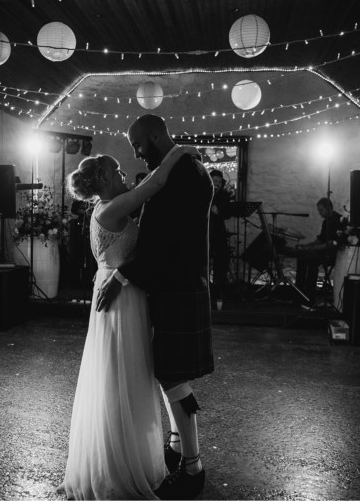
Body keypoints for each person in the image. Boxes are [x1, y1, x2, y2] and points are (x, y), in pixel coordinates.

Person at [97, 114, 214, 500]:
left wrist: (123, 275)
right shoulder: (181, 166)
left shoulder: (182, 171)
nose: (136, 153)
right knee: (168, 371)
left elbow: (163, 237)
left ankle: (192, 469)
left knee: (173, 376)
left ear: (157, 135)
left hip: (178, 285)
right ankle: (178, 447)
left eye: (138, 144)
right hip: (174, 285)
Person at [58, 150, 186, 500]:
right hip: (119, 297)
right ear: (102, 178)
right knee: (121, 373)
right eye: (117, 172)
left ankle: (123, 454)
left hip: (120, 290)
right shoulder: (111, 209)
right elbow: (155, 183)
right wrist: (179, 152)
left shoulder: (106, 208)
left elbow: (145, 188)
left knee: (123, 371)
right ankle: (118, 464)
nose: (124, 176)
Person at [293, 197, 344, 306]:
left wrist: (313, 248)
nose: (319, 213)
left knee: (311, 260)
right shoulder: (326, 222)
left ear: (329, 208)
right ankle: (300, 293)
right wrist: (306, 245)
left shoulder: (339, 220)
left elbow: (332, 243)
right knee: (302, 258)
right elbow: (320, 240)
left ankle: (309, 296)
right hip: (323, 251)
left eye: (321, 210)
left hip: (333, 254)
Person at [208, 169, 231, 309]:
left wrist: (219, 209)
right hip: (204, 234)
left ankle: (218, 292)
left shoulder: (223, 196)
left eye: (218, 182)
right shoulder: (204, 193)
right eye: (213, 181)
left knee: (221, 261)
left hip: (218, 234)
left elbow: (227, 214)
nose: (216, 184)